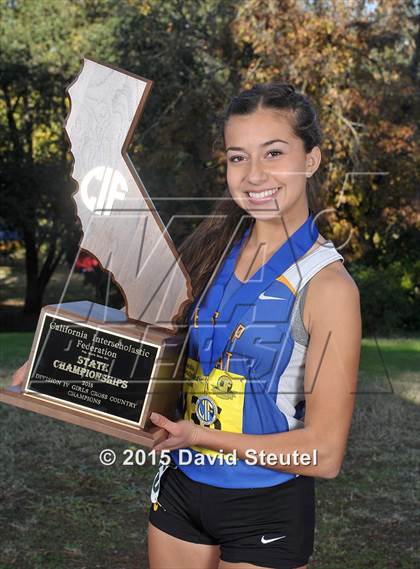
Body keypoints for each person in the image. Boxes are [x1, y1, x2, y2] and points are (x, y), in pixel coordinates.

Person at [146, 83, 362, 569]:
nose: (254, 174)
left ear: (311, 160)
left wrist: (201, 437)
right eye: (238, 157)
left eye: (274, 153)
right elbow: (153, 334)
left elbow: (324, 455)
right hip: (181, 485)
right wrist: (55, 365)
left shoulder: (328, 286)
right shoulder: (211, 249)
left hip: (264, 506)